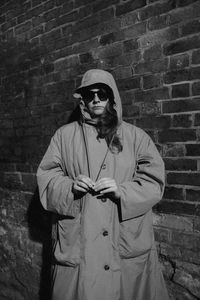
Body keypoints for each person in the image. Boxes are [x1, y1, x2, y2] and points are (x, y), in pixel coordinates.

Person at [37, 69, 169, 300]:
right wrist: (70, 187)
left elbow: (154, 181)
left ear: (113, 97)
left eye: (103, 94)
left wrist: (123, 191)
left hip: (124, 240)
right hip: (80, 242)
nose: (96, 99)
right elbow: (47, 177)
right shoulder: (63, 136)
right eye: (90, 95)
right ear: (83, 100)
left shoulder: (136, 137)